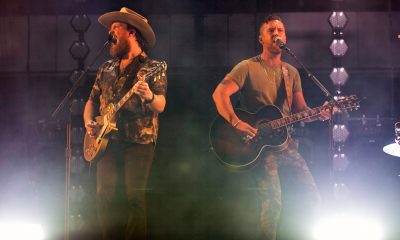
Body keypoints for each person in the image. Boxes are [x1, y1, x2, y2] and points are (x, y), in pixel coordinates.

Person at [212, 15, 331, 240]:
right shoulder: (246, 67)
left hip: (286, 145)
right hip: (258, 145)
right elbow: (219, 95)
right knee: (273, 202)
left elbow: (300, 111)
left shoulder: (291, 72)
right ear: (261, 38)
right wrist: (236, 123)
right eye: (271, 30)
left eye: (281, 30)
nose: (277, 34)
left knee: (313, 196)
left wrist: (319, 114)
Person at [83, 7, 167, 240]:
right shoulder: (106, 68)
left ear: (131, 32)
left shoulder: (152, 68)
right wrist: (90, 122)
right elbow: (91, 102)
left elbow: (161, 104)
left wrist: (149, 95)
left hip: (139, 140)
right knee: (104, 195)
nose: (110, 33)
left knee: (134, 197)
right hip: (107, 140)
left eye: (115, 28)